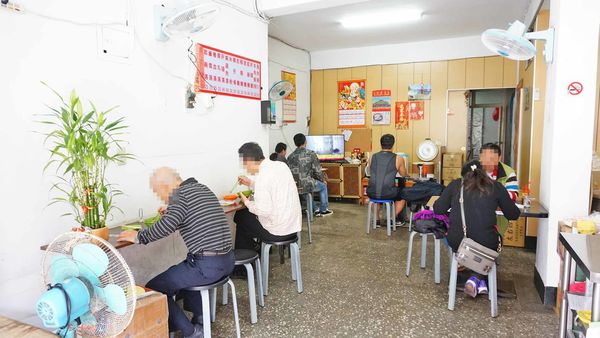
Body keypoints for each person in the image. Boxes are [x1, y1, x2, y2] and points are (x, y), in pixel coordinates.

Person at [118, 167, 234, 338]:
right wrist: (171, 212)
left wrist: (137, 236)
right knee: (184, 266)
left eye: (158, 192)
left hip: (207, 267)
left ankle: (192, 332)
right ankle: (200, 318)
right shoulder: (202, 188)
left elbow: (165, 227)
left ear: (166, 187)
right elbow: (188, 216)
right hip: (227, 261)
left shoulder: (179, 196)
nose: (161, 197)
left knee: (155, 287)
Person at [433, 160, 520, 298]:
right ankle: (476, 278)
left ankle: (479, 281)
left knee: (472, 241)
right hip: (486, 241)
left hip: (458, 241)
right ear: (483, 174)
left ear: (463, 175)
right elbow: (513, 214)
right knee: (494, 241)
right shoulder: (495, 187)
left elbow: (438, 209)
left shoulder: (455, 185)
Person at [234, 142, 302, 251]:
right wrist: (251, 183)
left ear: (249, 161)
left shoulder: (262, 175)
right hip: (293, 227)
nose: (245, 168)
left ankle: (244, 264)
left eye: (244, 164)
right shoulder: (281, 166)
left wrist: (247, 202)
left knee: (241, 216)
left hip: (278, 231)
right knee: (247, 218)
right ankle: (260, 252)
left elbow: (263, 211)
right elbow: (273, 189)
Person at [287, 133, 333, 217]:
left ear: (295, 143)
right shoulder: (310, 154)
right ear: (305, 141)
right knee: (323, 186)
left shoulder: (290, 157)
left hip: (295, 185)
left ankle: (315, 209)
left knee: (304, 192)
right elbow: (317, 170)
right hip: (307, 183)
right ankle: (323, 210)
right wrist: (323, 179)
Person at [479, 143, 519, 236]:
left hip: (498, 221)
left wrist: (493, 195)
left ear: (499, 158)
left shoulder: (508, 172)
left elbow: (514, 195)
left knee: (493, 246)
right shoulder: (472, 170)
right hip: (475, 216)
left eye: (492, 158)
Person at [366, 134, 407, 221]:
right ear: (393, 145)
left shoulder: (372, 157)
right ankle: (391, 219)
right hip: (388, 193)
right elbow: (403, 174)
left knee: (374, 197)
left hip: (371, 192)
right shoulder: (398, 158)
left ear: (381, 144)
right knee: (404, 196)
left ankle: (377, 219)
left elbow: (371, 171)